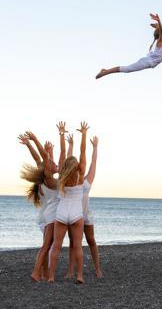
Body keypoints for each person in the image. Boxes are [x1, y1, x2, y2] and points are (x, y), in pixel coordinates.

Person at [47, 122, 89, 284]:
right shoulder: (80, 173)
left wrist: (62, 135)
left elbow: (63, 151)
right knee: (77, 246)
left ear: (65, 165)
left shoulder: (63, 174)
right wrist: (83, 134)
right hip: (76, 214)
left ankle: (51, 276)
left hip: (62, 213)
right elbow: (84, 151)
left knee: (56, 246)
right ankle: (79, 275)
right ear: (76, 164)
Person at [18, 132, 59, 281]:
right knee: (47, 246)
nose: (55, 164)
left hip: (44, 215)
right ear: (48, 168)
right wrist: (34, 140)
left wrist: (30, 145)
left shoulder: (43, 180)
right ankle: (38, 272)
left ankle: (42, 273)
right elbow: (44, 159)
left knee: (46, 245)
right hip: (50, 216)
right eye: (53, 163)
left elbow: (39, 159)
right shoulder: (49, 180)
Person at [65, 135, 103, 278]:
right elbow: (67, 161)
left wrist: (94, 147)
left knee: (91, 240)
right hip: (74, 214)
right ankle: (70, 270)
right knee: (73, 242)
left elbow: (93, 163)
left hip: (86, 215)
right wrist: (70, 145)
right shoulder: (71, 180)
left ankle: (98, 269)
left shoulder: (87, 180)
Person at [95, 14, 162, 79]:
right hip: (146, 62)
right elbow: (161, 32)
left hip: (148, 62)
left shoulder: (161, 43)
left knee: (127, 69)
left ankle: (106, 71)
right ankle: (105, 71)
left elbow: (161, 32)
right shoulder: (160, 43)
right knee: (127, 69)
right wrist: (159, 22)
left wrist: (157, 26)